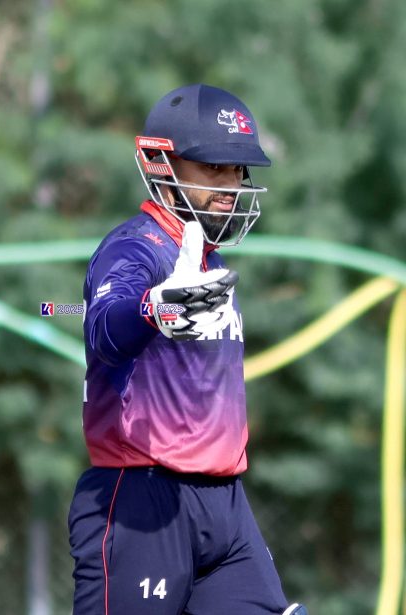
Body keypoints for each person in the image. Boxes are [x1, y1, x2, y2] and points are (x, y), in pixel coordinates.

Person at [69, 84, 306, 614]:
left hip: (225, 504)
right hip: (142, 499)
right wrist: (153, 309)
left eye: (238, 169)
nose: (232, 184)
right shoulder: (135, 248)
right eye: (213, 167)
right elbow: (105, 330)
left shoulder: (208, 262)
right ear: (162, 164)